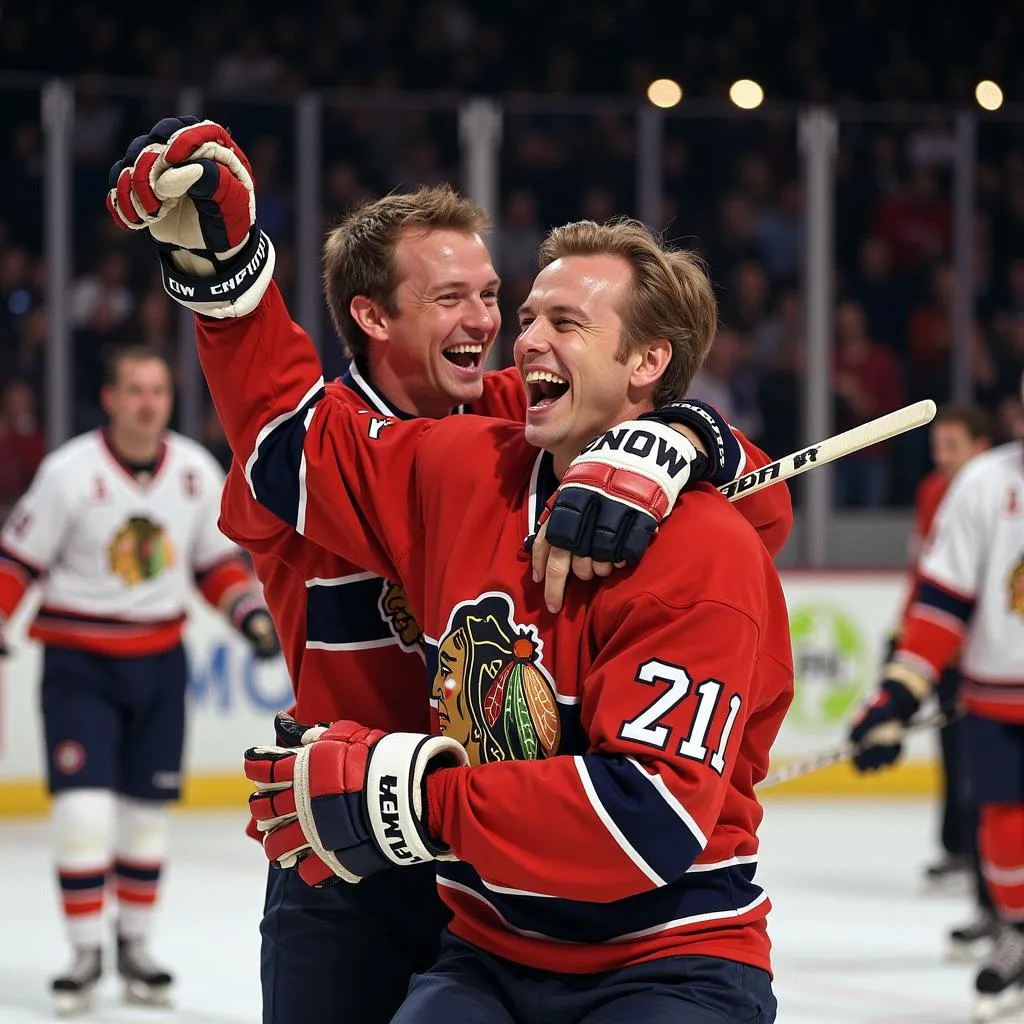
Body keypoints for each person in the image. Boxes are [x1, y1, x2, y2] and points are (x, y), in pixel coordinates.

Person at [107, 119, 792, 1024]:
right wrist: (224, 274)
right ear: (373, 315)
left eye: (493, 297)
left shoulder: (516, 418)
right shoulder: (402, 462)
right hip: (357, 853)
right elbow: (277, 435)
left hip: (507, 860)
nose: (492, 325)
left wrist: (676, 436)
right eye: (453, 299)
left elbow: (759, 506)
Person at [0, 346, 281, 1015]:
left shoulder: (191, 469)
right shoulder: (68, 473)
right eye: (135, 390)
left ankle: (134, 946)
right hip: (80, 667)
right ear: (111, 399)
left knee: (145, 816)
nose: (149, 402)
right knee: (83, 813)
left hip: (159, 664)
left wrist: (247, 616)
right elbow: (18, 562)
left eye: (158, 390)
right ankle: (84, 951)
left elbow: (213, 562)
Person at [848, 371, 1024, 1022]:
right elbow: (942, 605)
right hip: (998, 693)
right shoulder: (984, 484)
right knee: (1003, 825)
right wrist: (893, 698)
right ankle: (1016, 933)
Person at [897, 406, 991, 902]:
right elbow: (925, 572)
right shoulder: (933, 491)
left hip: (989, 658)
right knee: (957, 760)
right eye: (937, 446)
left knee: (990, 773)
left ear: (981, 447)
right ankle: (962, 852)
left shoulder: (995, 492)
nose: (941, 457)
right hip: (946, 652)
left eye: (952, 446)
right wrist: (903, 630)